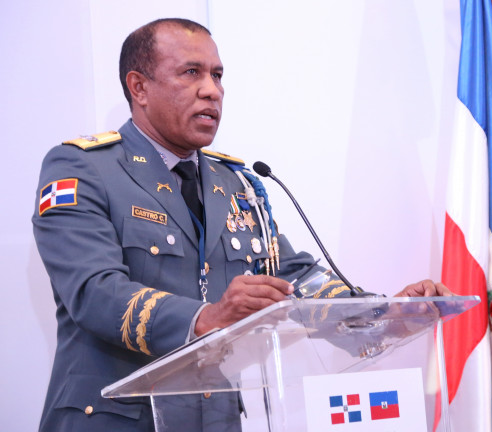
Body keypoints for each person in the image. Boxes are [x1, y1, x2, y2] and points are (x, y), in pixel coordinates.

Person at [32, 18, 451, 432]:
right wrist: (206, 317)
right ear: (139, 87)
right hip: (116, 420)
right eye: (191, 72)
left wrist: (384, 314)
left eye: (217, 75)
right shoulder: (84, 169)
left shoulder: (236, 183)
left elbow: (294, 278)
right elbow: (93, 291)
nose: (211, 90)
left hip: (214, 419)